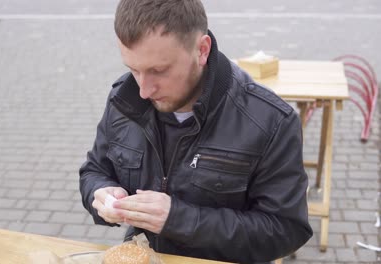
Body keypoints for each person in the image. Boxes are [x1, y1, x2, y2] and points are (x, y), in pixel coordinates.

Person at [79, 0, 313, 263]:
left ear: (202, 50)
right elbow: (94, 171)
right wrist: (101, 193)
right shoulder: (124, 99)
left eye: (159, 71)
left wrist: (179, 219)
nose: (144, 90)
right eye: (133, 70)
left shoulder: (269, 120)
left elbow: (286, 230)